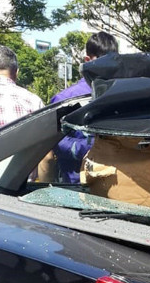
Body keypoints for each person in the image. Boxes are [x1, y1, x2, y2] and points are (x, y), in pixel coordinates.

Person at [43, 31, 119, 184]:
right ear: (87, 60)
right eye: (102, 62)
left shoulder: (122, 94)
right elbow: (54, 143)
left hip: (115, 187)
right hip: (78, 188)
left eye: (112, 62)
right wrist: (94, 147)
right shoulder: (65, 100)